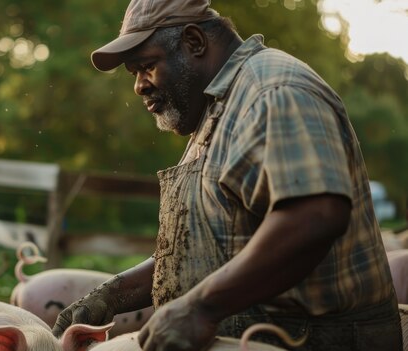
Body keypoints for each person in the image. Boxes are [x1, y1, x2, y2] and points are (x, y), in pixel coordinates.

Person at [51, 0, 403, 350]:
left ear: (194, 43)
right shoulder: (215, 112)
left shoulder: (273, 91)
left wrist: (201, 307)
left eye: (147, 66)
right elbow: (200, 252)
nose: (139, 86)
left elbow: (316, 215)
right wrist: (110, 296)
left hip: (307, 341)